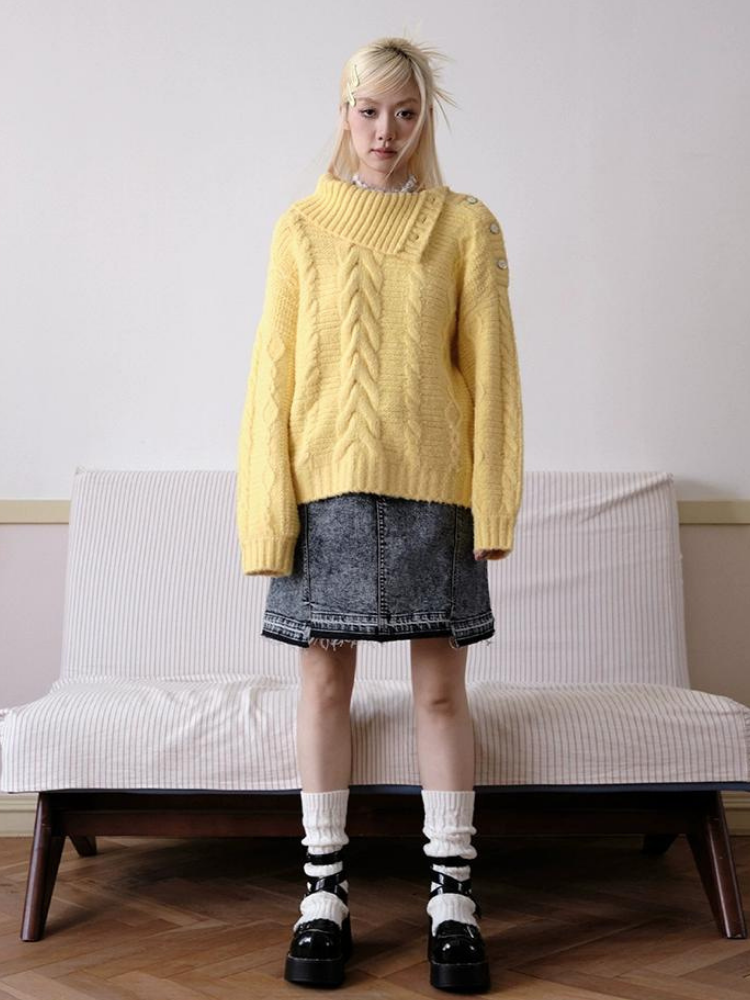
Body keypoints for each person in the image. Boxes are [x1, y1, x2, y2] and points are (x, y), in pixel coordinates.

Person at [236, 35, 524, 992]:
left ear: (424, 119)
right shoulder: (300, 229)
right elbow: (272, 379)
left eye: (405, 113)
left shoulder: (466, 226)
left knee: (441, 694)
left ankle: (453, 899)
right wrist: (266, 516)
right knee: (324, 689)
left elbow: (494, 376)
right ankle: (323, 894)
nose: (385, 132)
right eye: (368, 111)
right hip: (322, 497)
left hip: (437, 494)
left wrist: (495, 502)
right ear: (344, 113)